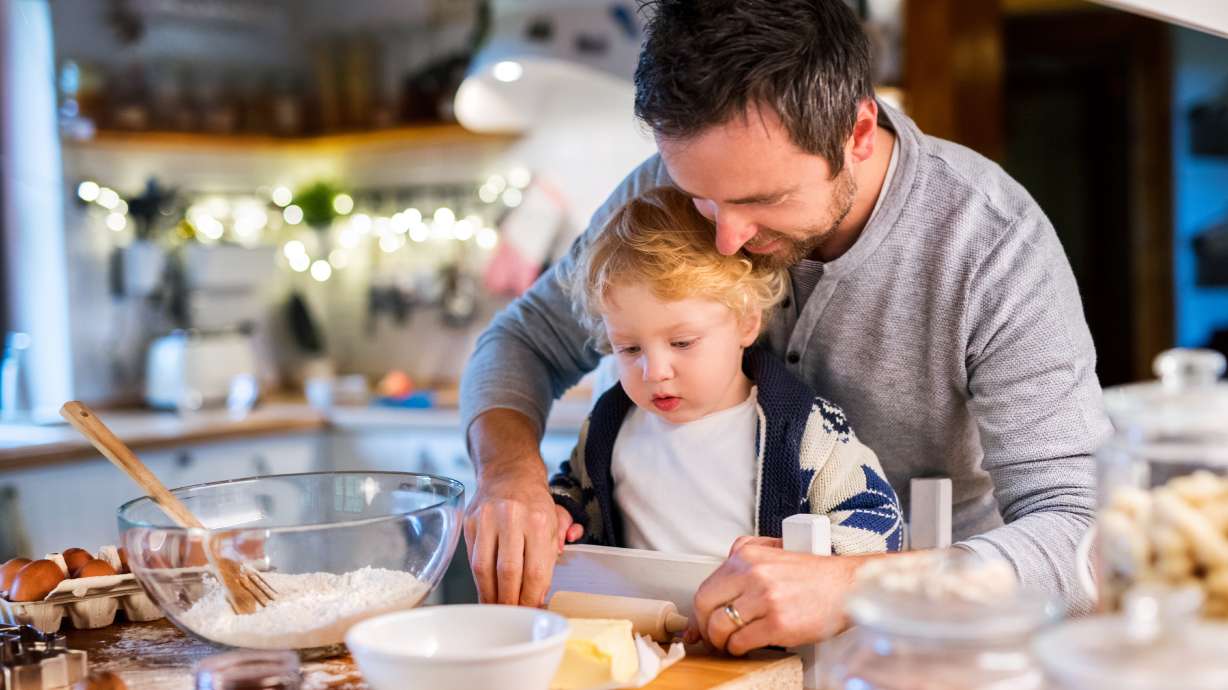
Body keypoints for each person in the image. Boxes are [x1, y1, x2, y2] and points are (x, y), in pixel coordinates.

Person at [460, 0, 1110, 654]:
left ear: (857, 133)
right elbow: (522, 340)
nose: (726, 235)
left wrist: (860, 585)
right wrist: (507, 472)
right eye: (701, 199)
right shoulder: (659, 191)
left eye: (760, 200)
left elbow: (1084, 534)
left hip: (924, 650)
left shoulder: (992, 244)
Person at [547, 185, 904, 560]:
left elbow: (880, 520)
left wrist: (812, 562)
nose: (654, 371)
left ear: (747, 323)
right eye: (630, 348)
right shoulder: (607, 424)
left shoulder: (807, 430)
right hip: (639, 616)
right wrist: (560, 513)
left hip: (761, 614)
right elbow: (573, 490)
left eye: (683, 342)